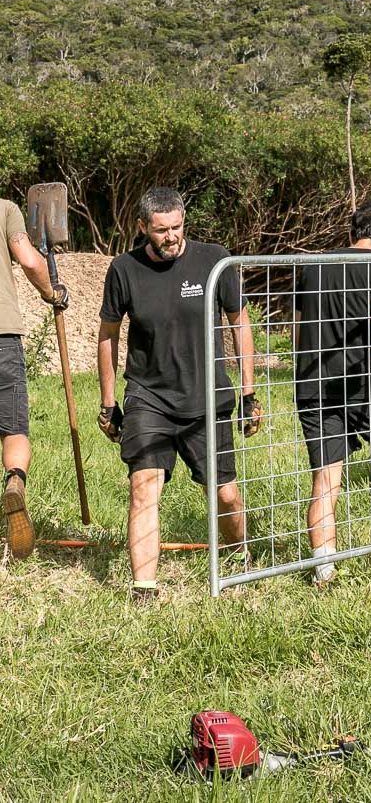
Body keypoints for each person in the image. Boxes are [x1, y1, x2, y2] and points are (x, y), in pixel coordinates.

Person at [97, 187, 261, 601]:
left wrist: (249, 392)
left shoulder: (214, 260)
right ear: (142, 227)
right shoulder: (124, 269)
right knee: (143, 485)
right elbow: (108, 337)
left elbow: (240, 324)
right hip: (149, 397)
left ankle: (240, 553)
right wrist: (109, 402)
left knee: (223, 493)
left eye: (177, 228)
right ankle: (144, 588)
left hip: (207, 397)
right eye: (161, 230)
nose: (171, 237)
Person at [294, 201, 371, 587]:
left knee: (326, 478)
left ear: (352, 233)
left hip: (314, 380)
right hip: (364, 378)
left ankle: (324, 567)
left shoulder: (314, 265)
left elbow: (300, 323)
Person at [0, 198, 69, 559]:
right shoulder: (5, 210)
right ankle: (15, 480)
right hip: (2, 339)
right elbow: (27, 258)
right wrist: (52, 291)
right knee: (14, 429)